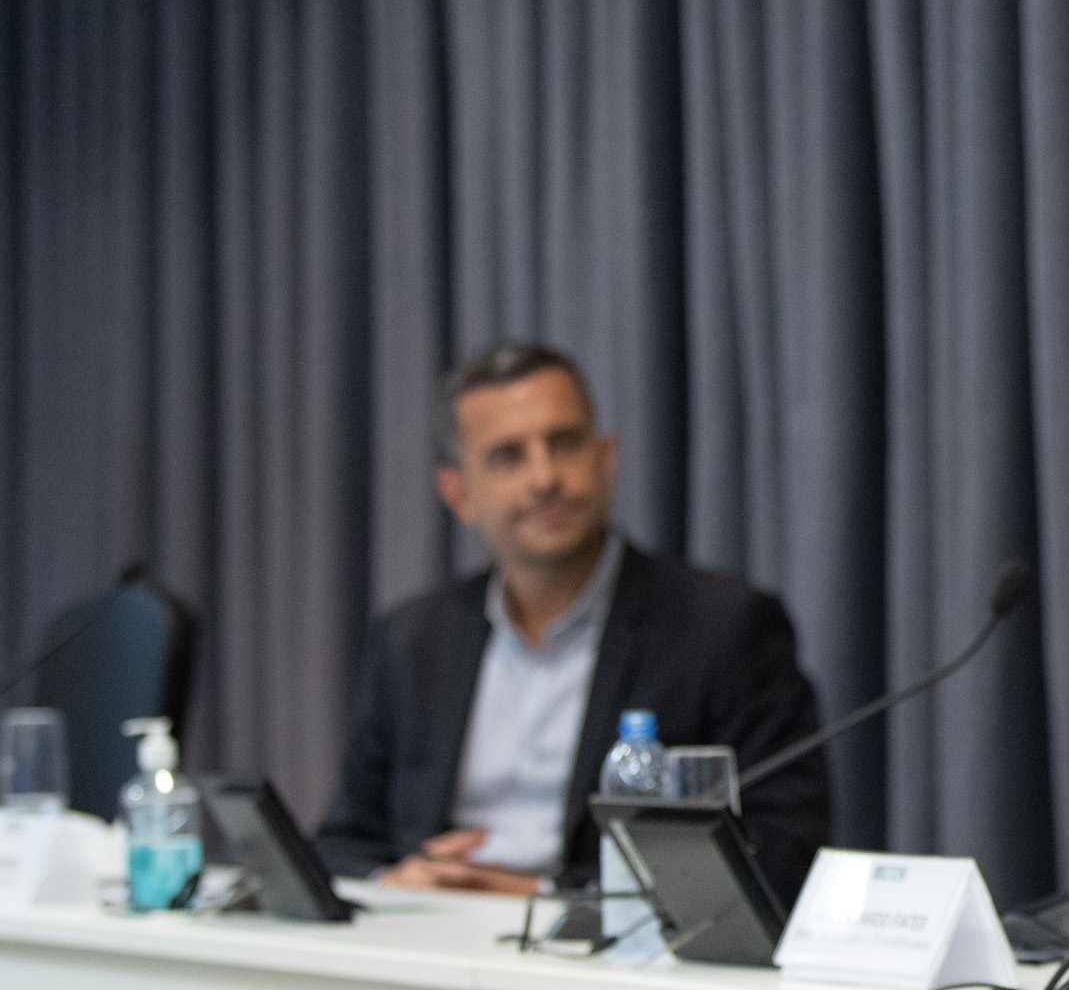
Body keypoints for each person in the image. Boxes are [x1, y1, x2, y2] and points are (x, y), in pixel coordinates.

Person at [318, 340, 832, 906]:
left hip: (604, 943)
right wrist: (395, 880)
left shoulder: (722, 628)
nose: (544, 477)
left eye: (564, 443)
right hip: (433, 933)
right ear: (459, 493)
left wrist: (546, 894)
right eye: (509, 456)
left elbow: (782, 849)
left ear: (605, 458)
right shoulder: (412, 638)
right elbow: (341, 842)